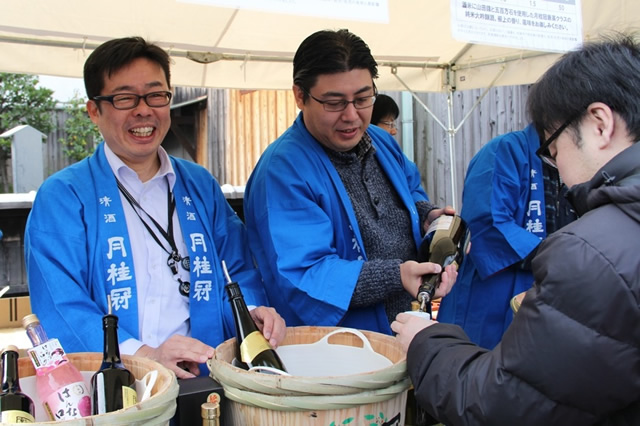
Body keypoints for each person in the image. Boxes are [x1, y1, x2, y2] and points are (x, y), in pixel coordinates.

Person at [391, 34, 640, 425]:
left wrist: (567, 261)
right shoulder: (502, 152)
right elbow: (488, 222)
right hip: (495, 292)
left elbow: (501, 404)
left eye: (557, 150)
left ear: (600, 123)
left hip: (559, 297)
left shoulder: (592, 254)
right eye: (551, 153)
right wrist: (554, 257)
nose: (562, 171)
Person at [24, 36, 286, 379]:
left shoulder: (200, 185)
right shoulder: (63, 197)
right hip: (118, 385)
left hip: (207, 377)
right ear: (94, 111)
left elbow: (235, 267)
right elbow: (62, 305)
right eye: (124, 98)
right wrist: (144, 356)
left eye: (155, 95)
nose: (143, 110)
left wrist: (252, 311)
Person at [243, 29, 457, 335]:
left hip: (404, 327)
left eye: (363, 98)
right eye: (334, 103)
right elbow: (306, 272)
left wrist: (427, 216)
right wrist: (396, 276)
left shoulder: (381, 141)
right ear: (300, 96)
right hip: (337, 347)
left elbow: (411, 192)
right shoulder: (284, 169)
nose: (352, 116)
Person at [437, 124, 576, 349]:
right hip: (492, 299)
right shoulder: (505, 150)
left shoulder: (581, 159)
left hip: (551, 296)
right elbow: (488, 223)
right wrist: (564, 257)